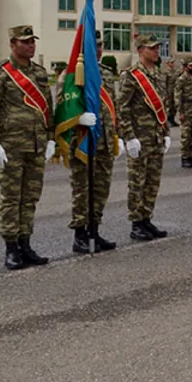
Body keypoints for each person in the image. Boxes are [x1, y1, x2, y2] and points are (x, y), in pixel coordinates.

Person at [0, 25, 58, 270]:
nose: (30, 46)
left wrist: (51, 138)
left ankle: (26, 244)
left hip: (36, 145)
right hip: (11, 146)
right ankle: (11, 248)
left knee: (30, 198)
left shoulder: (39, 72)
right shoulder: (1, 73)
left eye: (32, 41)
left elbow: (48, 106)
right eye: (25, 42)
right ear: (13, 44)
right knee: (11, 198)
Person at [67, 30, 119, 253]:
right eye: (94, 45)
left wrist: (118, 136)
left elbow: (112, 106)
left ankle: (95, 231)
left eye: (101, 45)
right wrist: (78, 118)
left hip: (104, 140)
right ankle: (80, 234)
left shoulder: (105, 74)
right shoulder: (72, 74)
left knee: (100, 189)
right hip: (83, 141)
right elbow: (64, 106)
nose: (99, 49)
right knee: (82, 190)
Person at [118, 34, 172, 240]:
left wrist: (166, 132)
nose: (157, 50)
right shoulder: (131, 76)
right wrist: (129, 137)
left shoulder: (158, 75)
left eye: (158, 47)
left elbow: (162, 106)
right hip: (139, 138)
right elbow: (122, 108)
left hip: (156, 137)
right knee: (137, 182)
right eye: (153, 47)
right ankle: (136, 223)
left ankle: (147, 218)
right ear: (141, 51)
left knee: (152, 181)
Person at [174, 59, 192, 167]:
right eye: (191, 65)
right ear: (185, 66)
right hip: (187, 110)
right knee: (186, 135)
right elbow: (178, 97)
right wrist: (180, 112)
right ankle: (185, 157)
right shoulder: (181, 79)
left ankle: (191, 156)